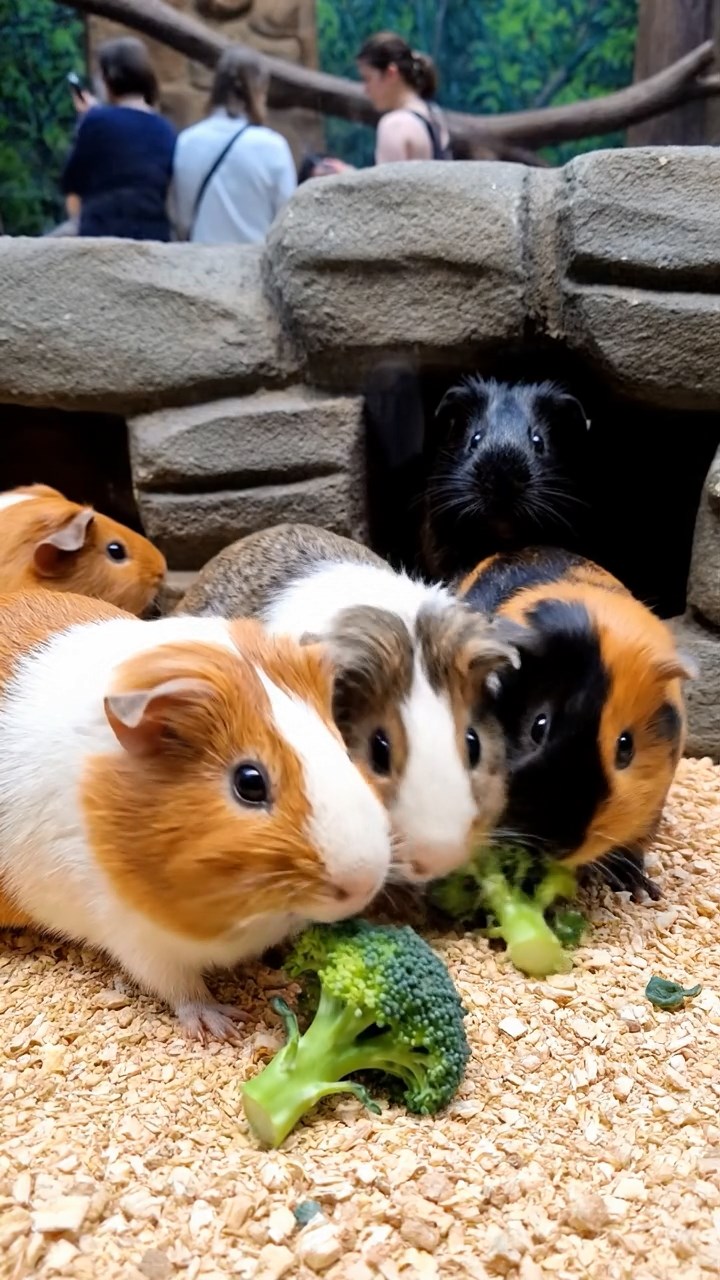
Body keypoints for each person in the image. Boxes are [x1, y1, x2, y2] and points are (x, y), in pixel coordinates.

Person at [171, 50, 296, 244]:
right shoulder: (273, 147)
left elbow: (183, 221)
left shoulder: (187, 142)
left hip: (201, 259)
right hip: (255, 259)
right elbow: (287, 221)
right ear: (259, 91)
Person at [61, 38, 176, 242]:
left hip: (102, 234)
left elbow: (72, 183)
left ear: (107, 79)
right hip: (153, 236)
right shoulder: (165, 128)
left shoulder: (96, 121)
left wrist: (87, 119)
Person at [356, 32, 452, 164]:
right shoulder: (434, 114)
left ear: (391, 73)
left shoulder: (394, 125)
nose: (365, 89)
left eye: (368, 79)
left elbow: (388, 178)